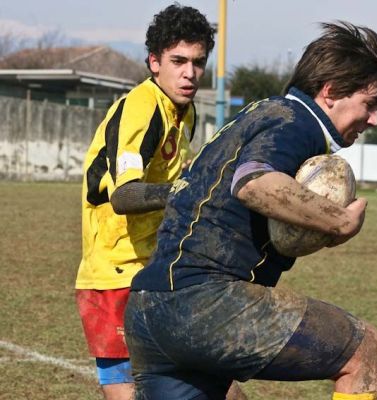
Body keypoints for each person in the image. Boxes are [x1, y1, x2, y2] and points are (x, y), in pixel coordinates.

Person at [124, 21, 377, 400]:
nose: (375, 119)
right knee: (370, 351)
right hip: (206, 304)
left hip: (149, 309)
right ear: (331, 92)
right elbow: (254, 183)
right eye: (371, 104)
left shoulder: (260, 114)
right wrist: (341, 221)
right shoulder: (298, 124)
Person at [74, 4, 246, 400]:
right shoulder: (142, 105)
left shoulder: (183, 114)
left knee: (219, 385)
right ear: (154, 62)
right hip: (113, 275)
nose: (190, 73)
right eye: (178, 61)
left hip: (158, 269)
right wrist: (189, 193)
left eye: (198, 62)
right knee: (129, 392)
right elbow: (125, 195)